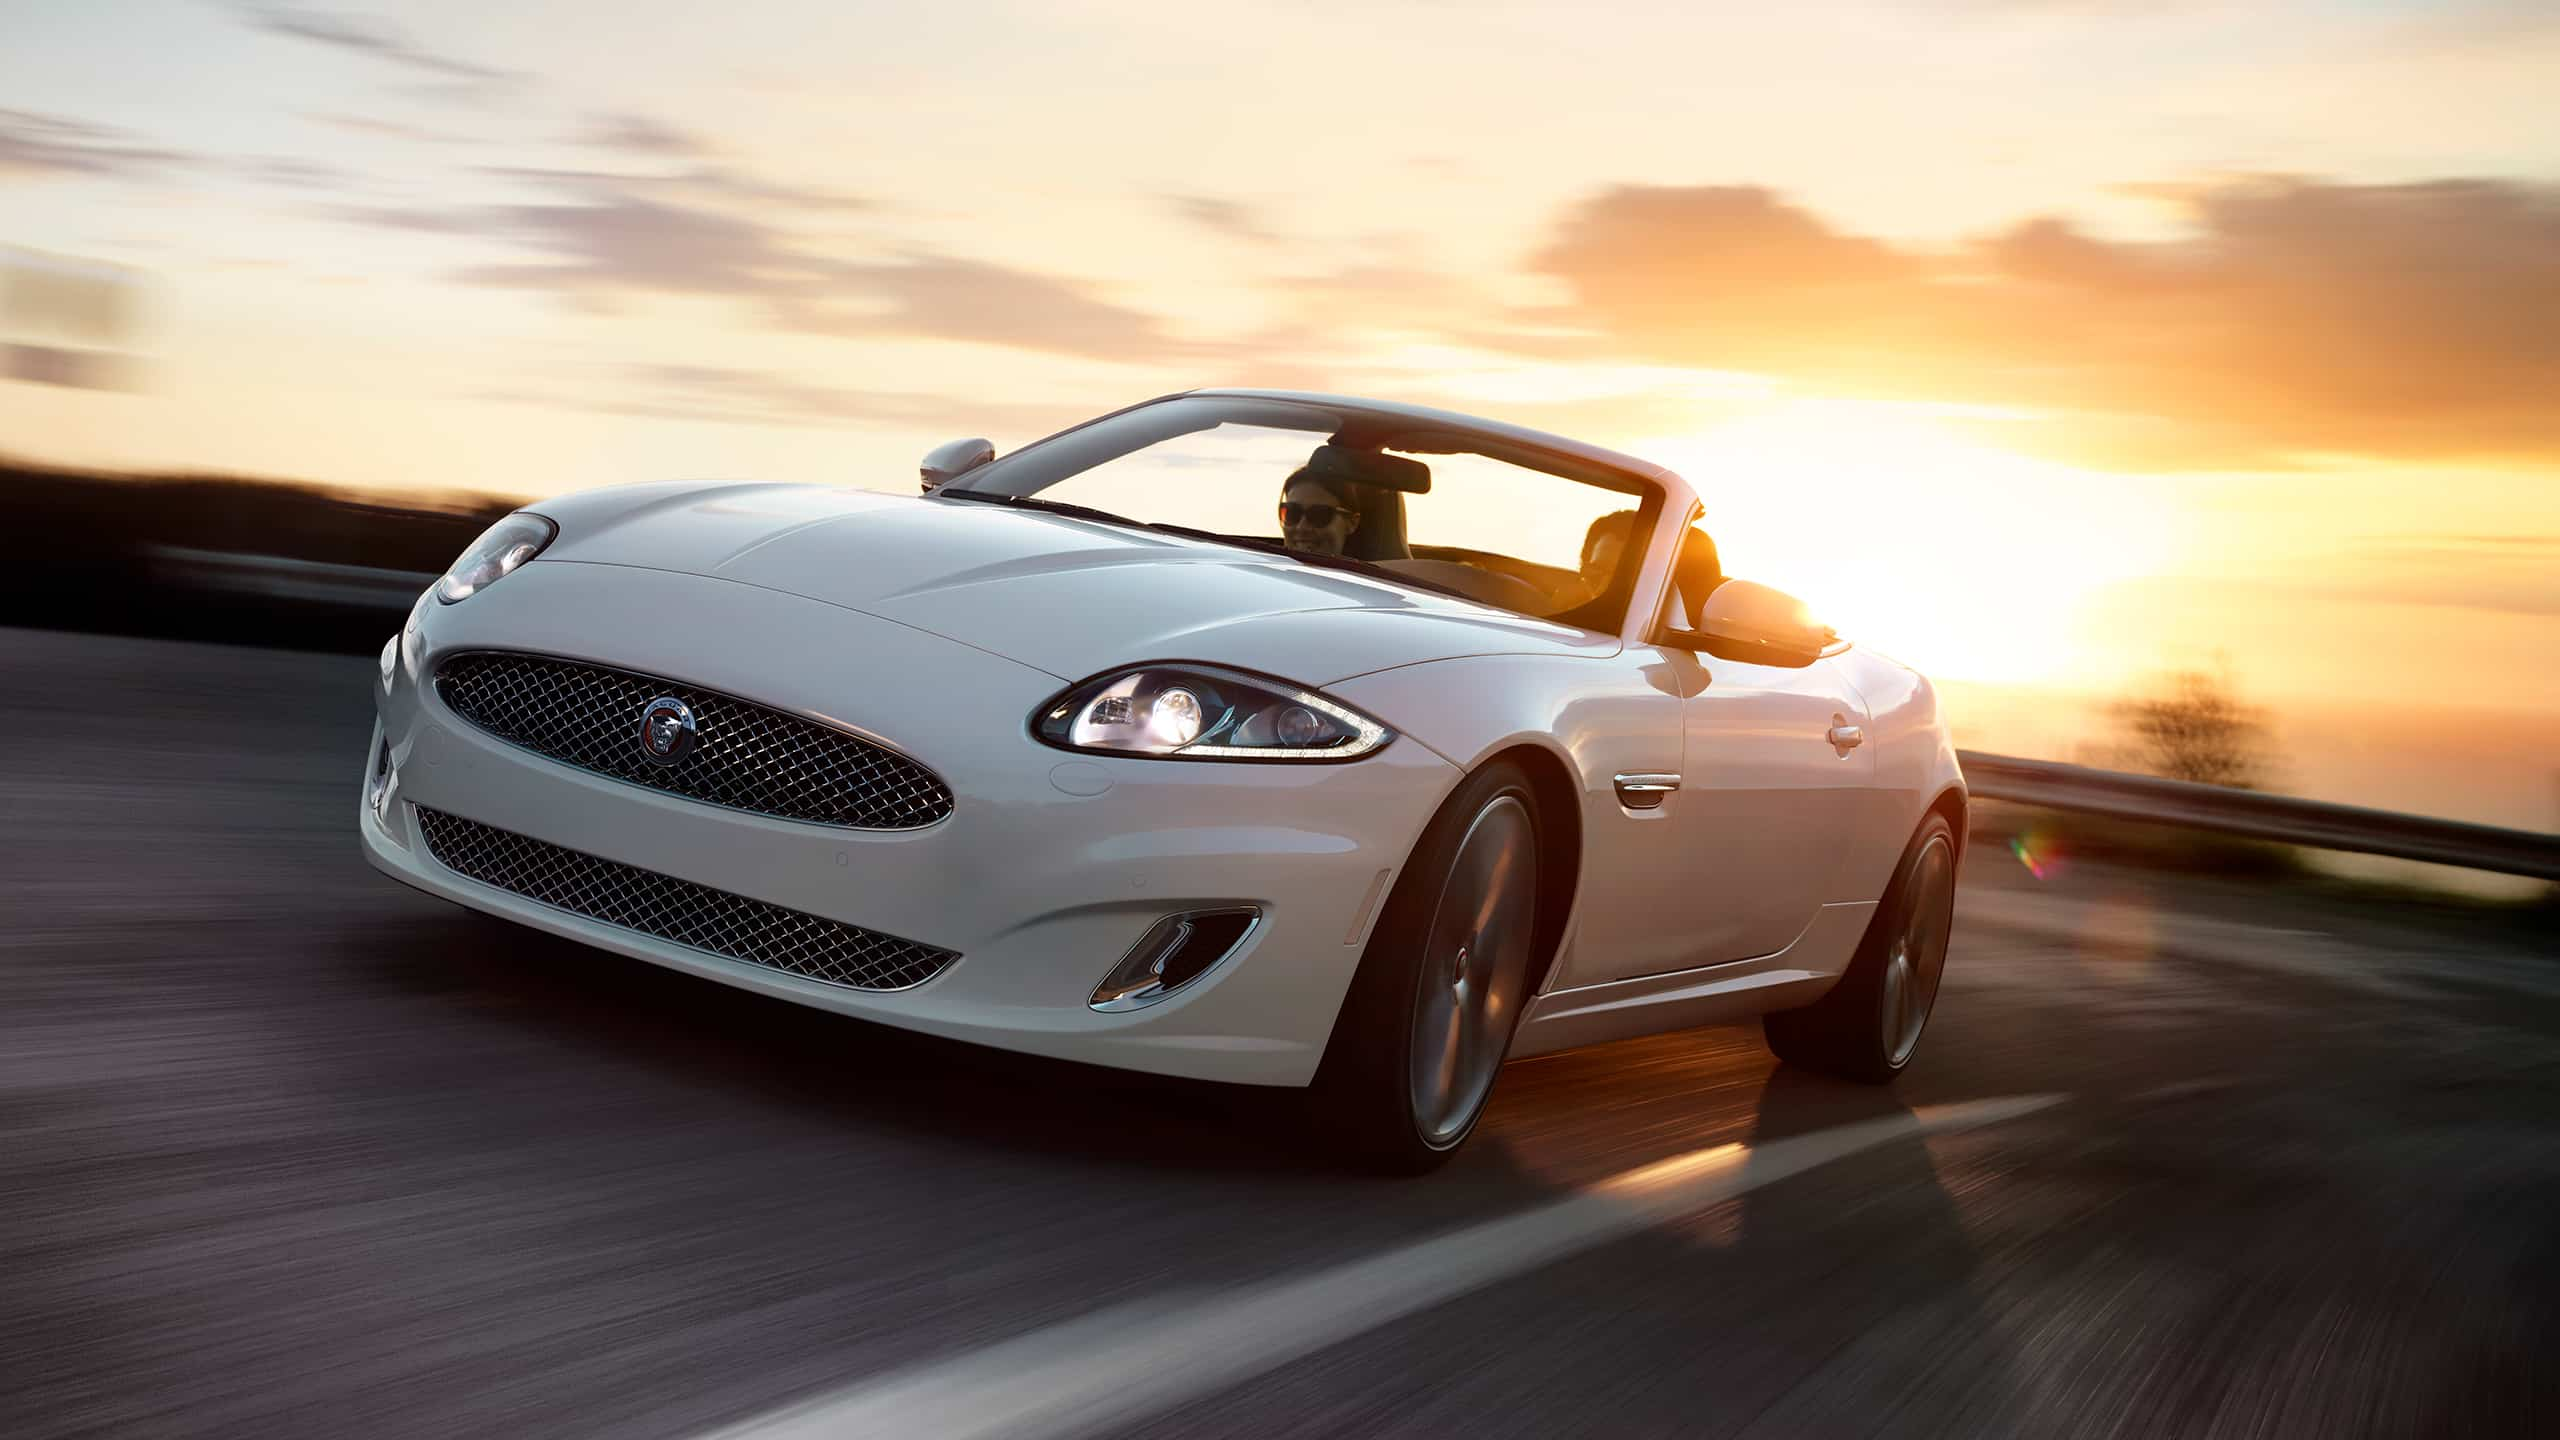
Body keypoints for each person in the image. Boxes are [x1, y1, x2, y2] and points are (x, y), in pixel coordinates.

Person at [1277, 467, 1364, 556]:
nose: (1301, 527)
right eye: (1292, 513)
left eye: (1319, 515)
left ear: (1352, 522)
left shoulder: (1369, 570)